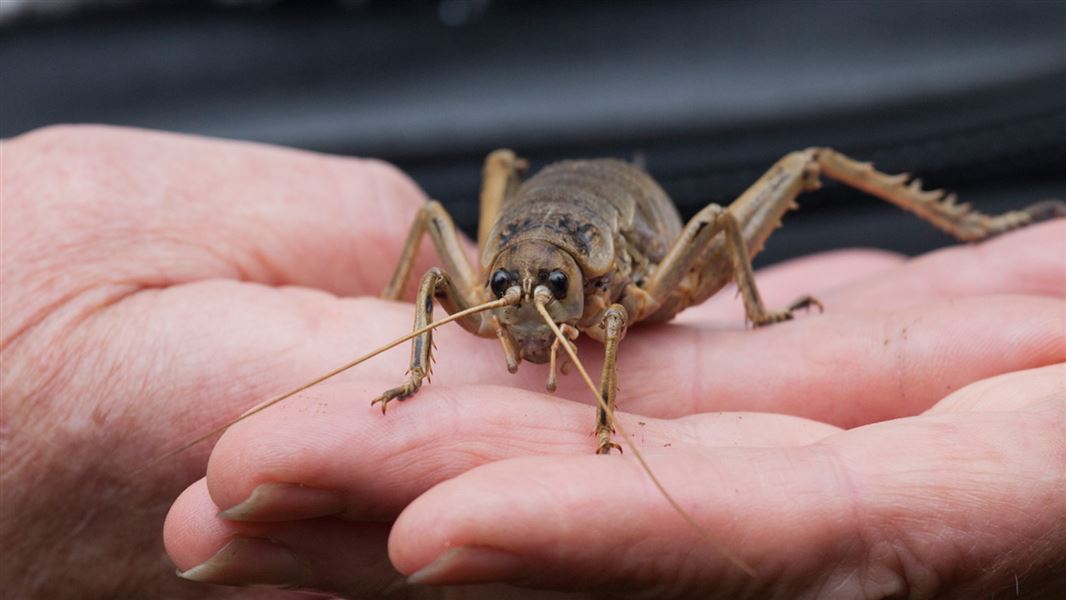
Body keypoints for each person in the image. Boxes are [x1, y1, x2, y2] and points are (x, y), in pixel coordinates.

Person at [2, 125, 1063, 599]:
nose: (517, 324)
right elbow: (431, 253)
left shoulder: (624, 296)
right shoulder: (497, 287)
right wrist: (411, 363)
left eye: (539, 306)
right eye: (506, 304)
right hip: (520, 186)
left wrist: (744, 314)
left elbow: (687, 257)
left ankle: (988, 226)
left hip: (650, 235)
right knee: (441, 205)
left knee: (802, 163)